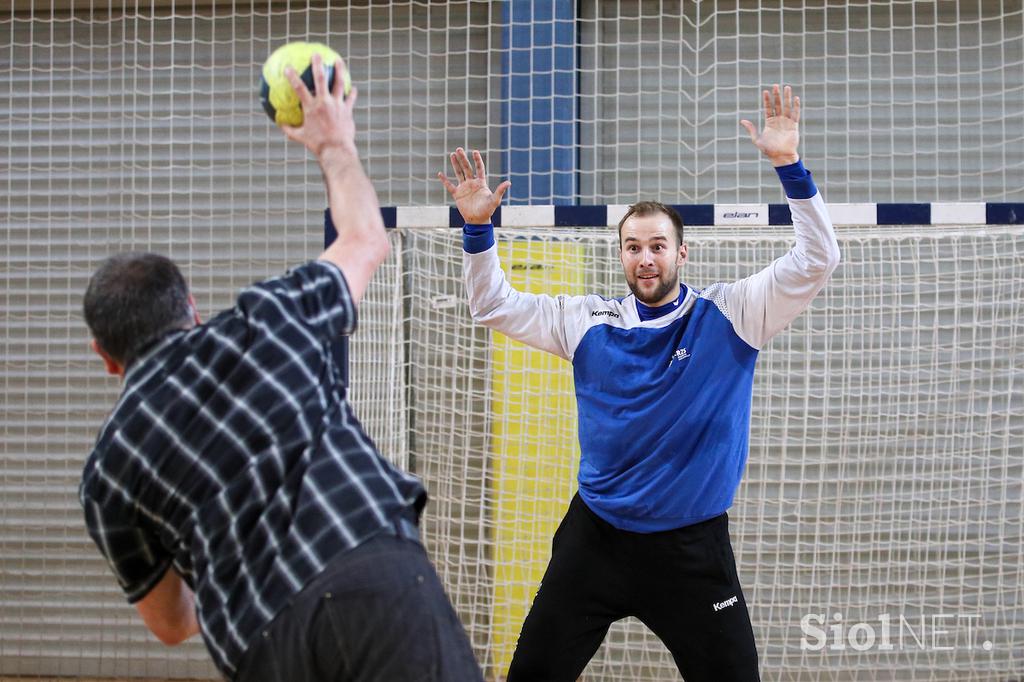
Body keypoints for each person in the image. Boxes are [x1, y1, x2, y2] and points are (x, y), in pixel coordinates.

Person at [80, 53, 483, 682]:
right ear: (190, 307)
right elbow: (365, 240)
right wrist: (333, 143)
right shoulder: (267, 316)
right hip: (370, 573)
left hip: (260, 641)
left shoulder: (106, 473)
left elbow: (170, 624)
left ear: (106, 358)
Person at [438, 84, 840, 681]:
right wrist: (478, 231)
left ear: (683, 254)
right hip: (595, 539)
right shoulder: (586, 323)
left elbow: (817, 259)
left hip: (690, 550)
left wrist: (789, 164)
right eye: (633, 247)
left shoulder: (732, 314)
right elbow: (493, 305)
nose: (645, 258)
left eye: (658, 246)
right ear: (621, 255)